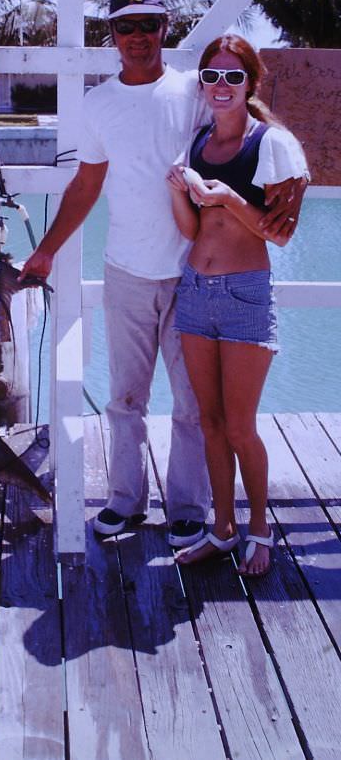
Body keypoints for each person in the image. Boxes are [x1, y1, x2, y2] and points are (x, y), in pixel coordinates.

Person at [20, 0, 306, 547]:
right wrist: (47, 248)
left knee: (192, 406)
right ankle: (125, 501)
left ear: (164, 29)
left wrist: (297, 171)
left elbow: (255, 120)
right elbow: (86, 182)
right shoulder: (97, 103)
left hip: (193, 275)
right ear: (112, 35)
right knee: (125, 398)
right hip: (126, 268)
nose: (138, 36)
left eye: (148, 24)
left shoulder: (196, 91)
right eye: (126, 26)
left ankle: (189, 508)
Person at [166, 35, 307, 575]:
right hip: (195, 293)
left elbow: (280, 237)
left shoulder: (269, 144)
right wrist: (181, 192)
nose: (221, 87)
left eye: (232, 77)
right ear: (202, 85)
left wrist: (227, 198)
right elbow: (191, 229)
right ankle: (222, 529)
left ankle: (259, 530)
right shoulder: (198, 142)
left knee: (242, 426)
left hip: (246, 293)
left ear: (251, 83)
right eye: (212, 77)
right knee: (210, 421)